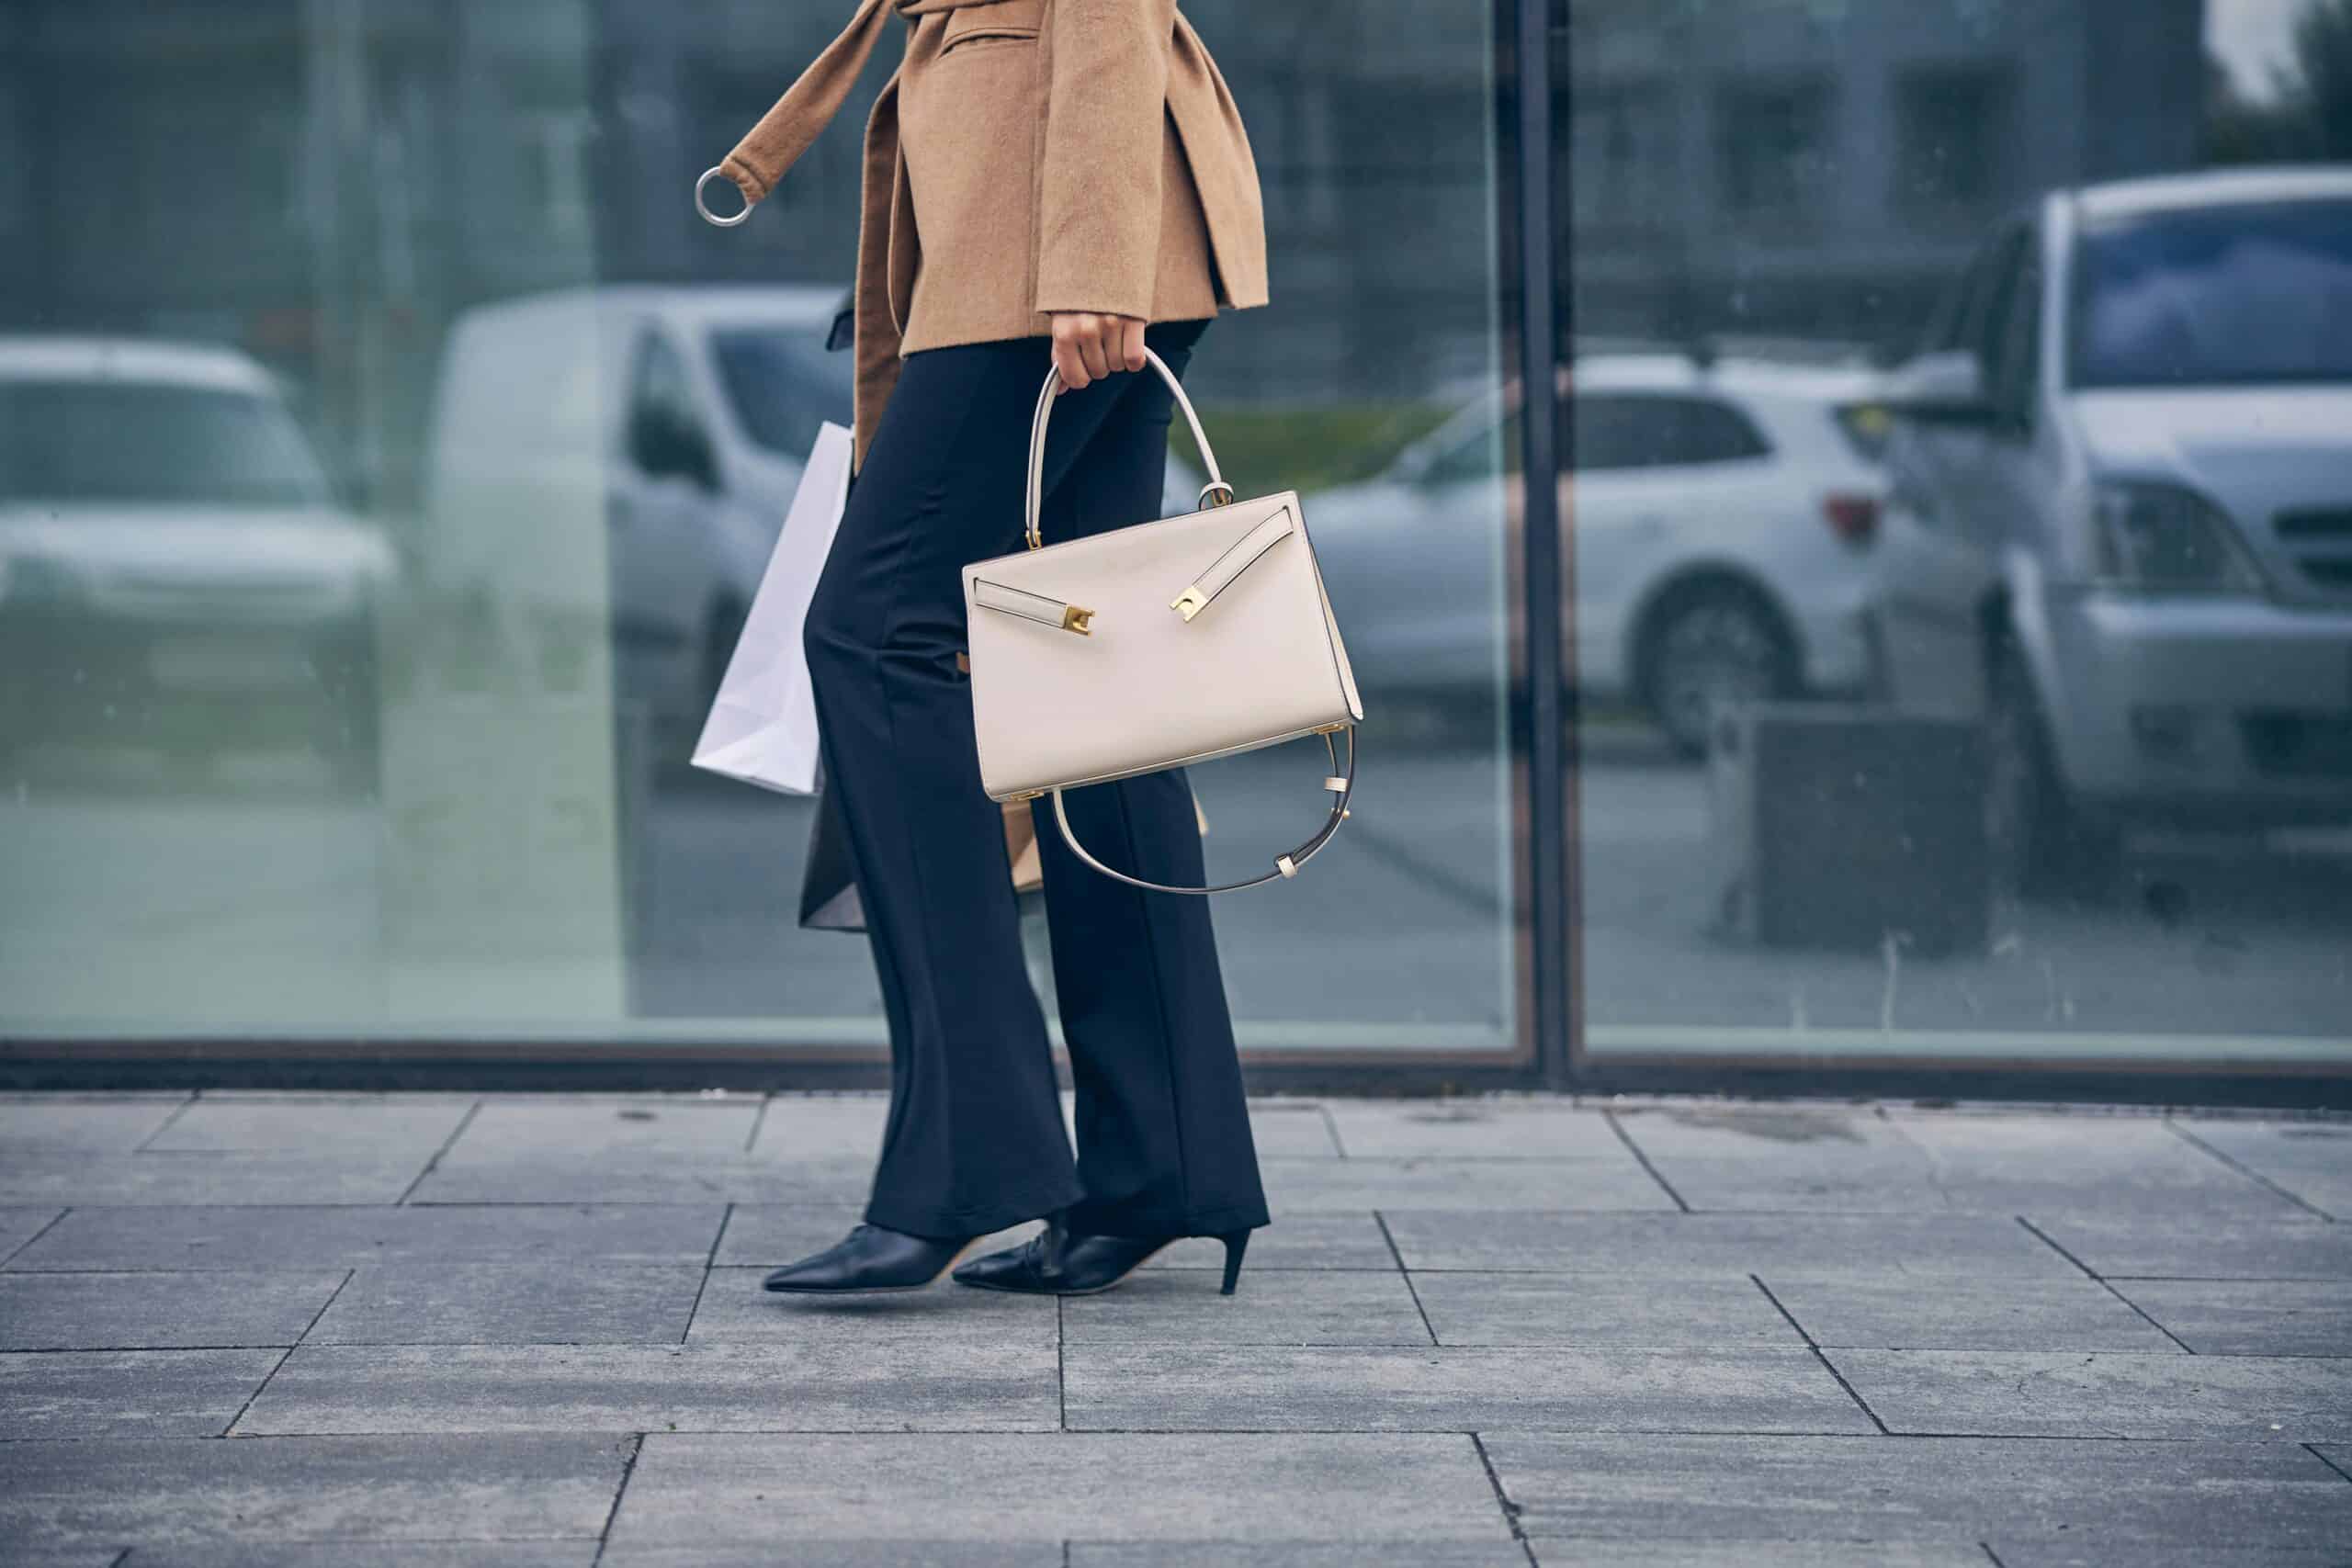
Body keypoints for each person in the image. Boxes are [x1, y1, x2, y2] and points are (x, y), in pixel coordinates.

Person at [708, 0, 1272, 1297]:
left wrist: (1090, 257)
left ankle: (969, 1158)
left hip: (1053, 257)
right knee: (1088, 680)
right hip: (1042, 241)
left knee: (872, 628)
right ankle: (1161, 1167)